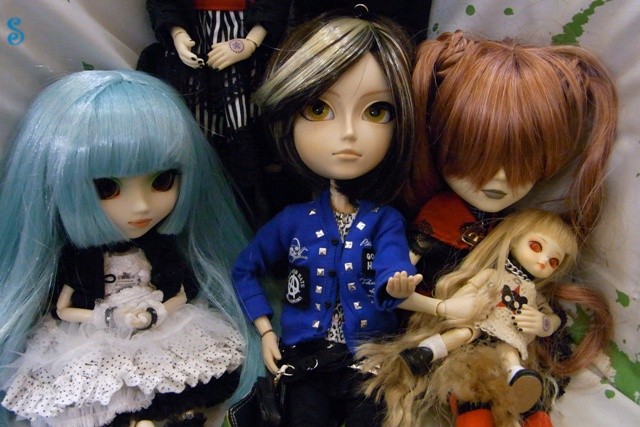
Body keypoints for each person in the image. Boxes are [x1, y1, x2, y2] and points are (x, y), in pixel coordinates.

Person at [231, 14, 493, 427]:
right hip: (306, 357)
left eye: (376, 111)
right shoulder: (292, 220)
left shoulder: (384, 220)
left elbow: (392, 267)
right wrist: (265, 330)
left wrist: (398, 284)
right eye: (319, 108)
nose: (349, 133)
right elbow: (245, 268)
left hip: (369, 357)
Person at [0, 70, 262, 427]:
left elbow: (182, 292)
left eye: (162, 181)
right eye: (107, 188)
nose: (140, 206)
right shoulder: (77, 261)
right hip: (96, 329)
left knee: (185, 372)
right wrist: (106, 318)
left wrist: (158, 311)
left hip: (156, 319)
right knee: (100, 385)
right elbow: (63, 309)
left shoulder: (161, 249)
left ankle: (169, 416)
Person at [402, 31, 618, 291]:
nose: (501, 177)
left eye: (524, 165)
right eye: (478, 157)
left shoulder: (509, 224)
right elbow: (396, 276)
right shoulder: (439, 214)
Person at [358, 210, 612, 426]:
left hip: (508, 335)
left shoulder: (534, 293)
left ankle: (517, 376)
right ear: (513, 239)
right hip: (480, 323)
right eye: (536, 246)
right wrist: (454, 306)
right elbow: (467, 291)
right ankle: (425, 352)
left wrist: (543, 323)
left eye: (554, 261)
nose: (543, 261)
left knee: (507, 351)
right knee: (464, 334)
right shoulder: (493, 274)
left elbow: (553, 319)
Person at [140, 0, 293, 225]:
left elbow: (273, 6)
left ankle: (251, 209)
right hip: (196, 42)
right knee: (198, 129)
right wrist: (178, 34)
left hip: (243, 48)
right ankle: (200, 212)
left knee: (245, 130)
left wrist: (250, 42)